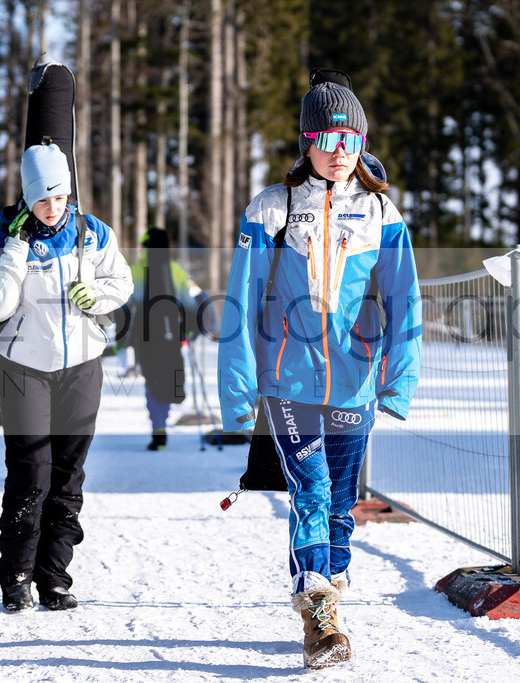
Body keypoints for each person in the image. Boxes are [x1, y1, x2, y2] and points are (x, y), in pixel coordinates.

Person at [217, 76, 422, 669]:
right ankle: (318, 615)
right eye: (328, 139)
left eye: (351, 139)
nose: (340, 151)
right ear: (307, 141)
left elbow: (405, 301)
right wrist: (239, 390)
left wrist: (399, 378)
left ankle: (331, 590)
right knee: (310, 491)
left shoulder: (381, 212)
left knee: (340, 503)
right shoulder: (272, 209)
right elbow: (240, 304)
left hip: (354, 382)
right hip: (289, 382)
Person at [0, 143, 133, 612]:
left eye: (60, 197)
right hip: (24, 368)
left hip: (81, 365)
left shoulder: (91, 231)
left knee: (68, 476)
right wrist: (16, 248)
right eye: (43, 199)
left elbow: (122, 282)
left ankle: (54, 579)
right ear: (27, 195)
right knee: (31, 474)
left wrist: (96, 296)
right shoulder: (6, 235)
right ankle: (16, 577)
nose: (53, 208)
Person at [126, 227, 201, 451]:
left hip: (144, 335)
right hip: (171, 334)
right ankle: (163, 421)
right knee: (169, 376)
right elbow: (188, 303)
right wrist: (191, 329)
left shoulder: (135, 271)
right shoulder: (176, 270)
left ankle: (158, 426)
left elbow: (126, 305)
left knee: (152, 379)